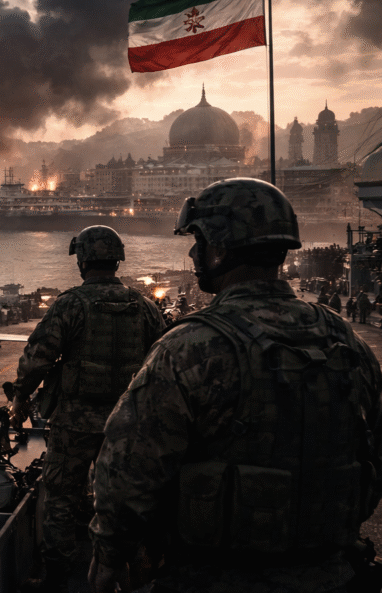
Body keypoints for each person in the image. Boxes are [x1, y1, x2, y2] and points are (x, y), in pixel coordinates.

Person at [89, 178, 382, 593]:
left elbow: (126, 469)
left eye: (199, 241)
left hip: (213, 577)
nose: (193, 253)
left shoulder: (190, 347)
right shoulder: (343, 339)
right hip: (334, 573)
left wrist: (109, 554)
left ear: (221, 248)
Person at [9, 225, 165, 590]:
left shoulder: (70, 305)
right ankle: (136, 570)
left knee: (62, 498)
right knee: (130, 498)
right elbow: (162, 359)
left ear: (81, 260)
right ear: (117, 259)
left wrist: (20, 396)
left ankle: (59, 575)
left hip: (75, 422)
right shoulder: (143, 306)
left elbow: (37, 359)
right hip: (128, 424)